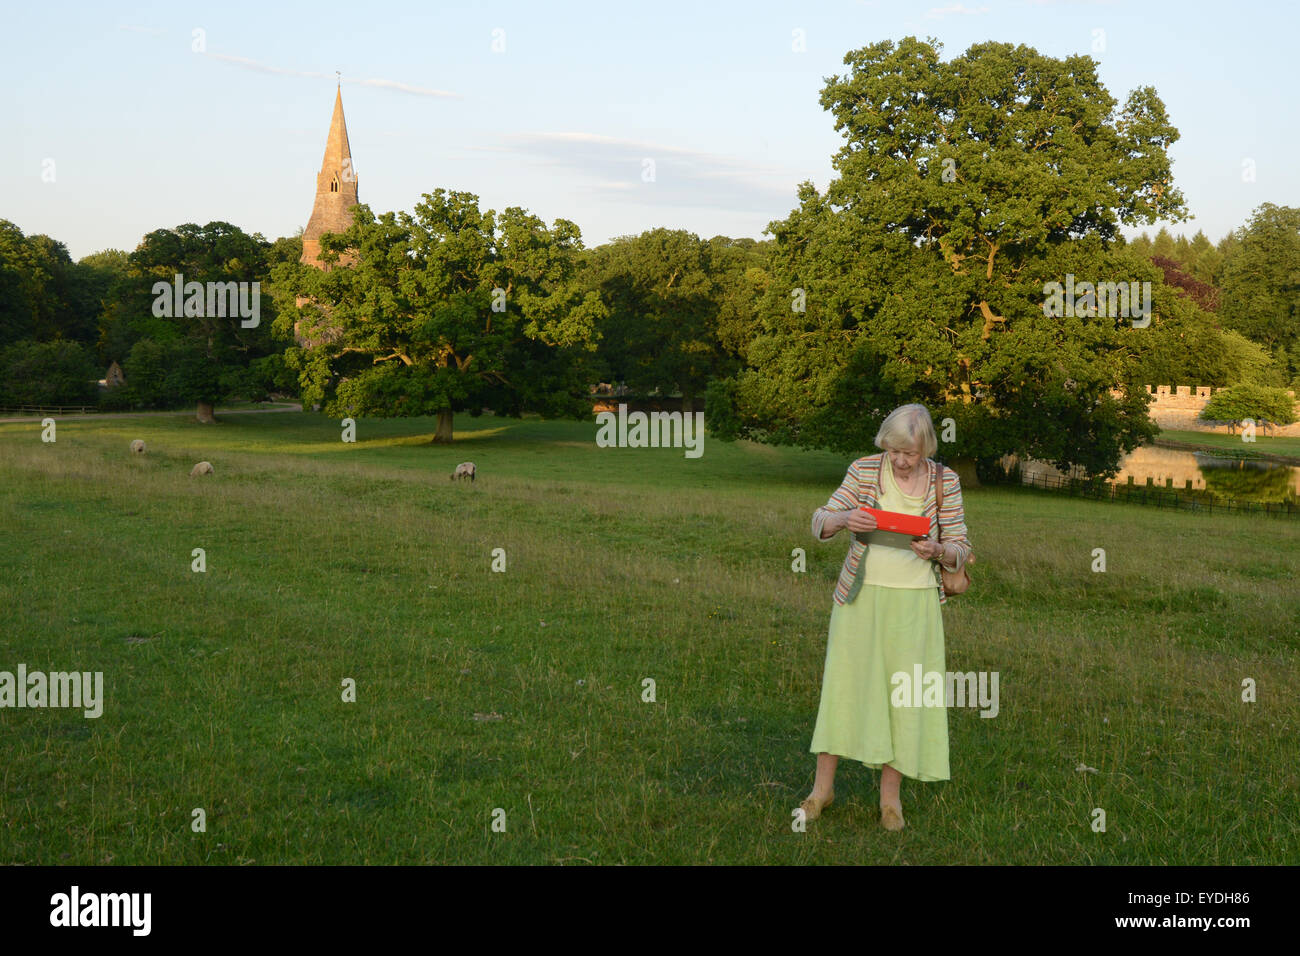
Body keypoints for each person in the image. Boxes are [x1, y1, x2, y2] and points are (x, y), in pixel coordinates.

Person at [801, 403, 973, 830]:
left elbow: (961, 547)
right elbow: (818, 522)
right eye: (893, 451)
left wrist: (938, 551)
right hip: (859, 601)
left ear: (926, 448)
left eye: (909, 454)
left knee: (904, 697)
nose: (899, 460)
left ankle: (890, 802)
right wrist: (844, 518)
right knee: (844, 689)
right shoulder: (862, 471)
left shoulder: (944, 482)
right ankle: (821, 791)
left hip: (915, 605)